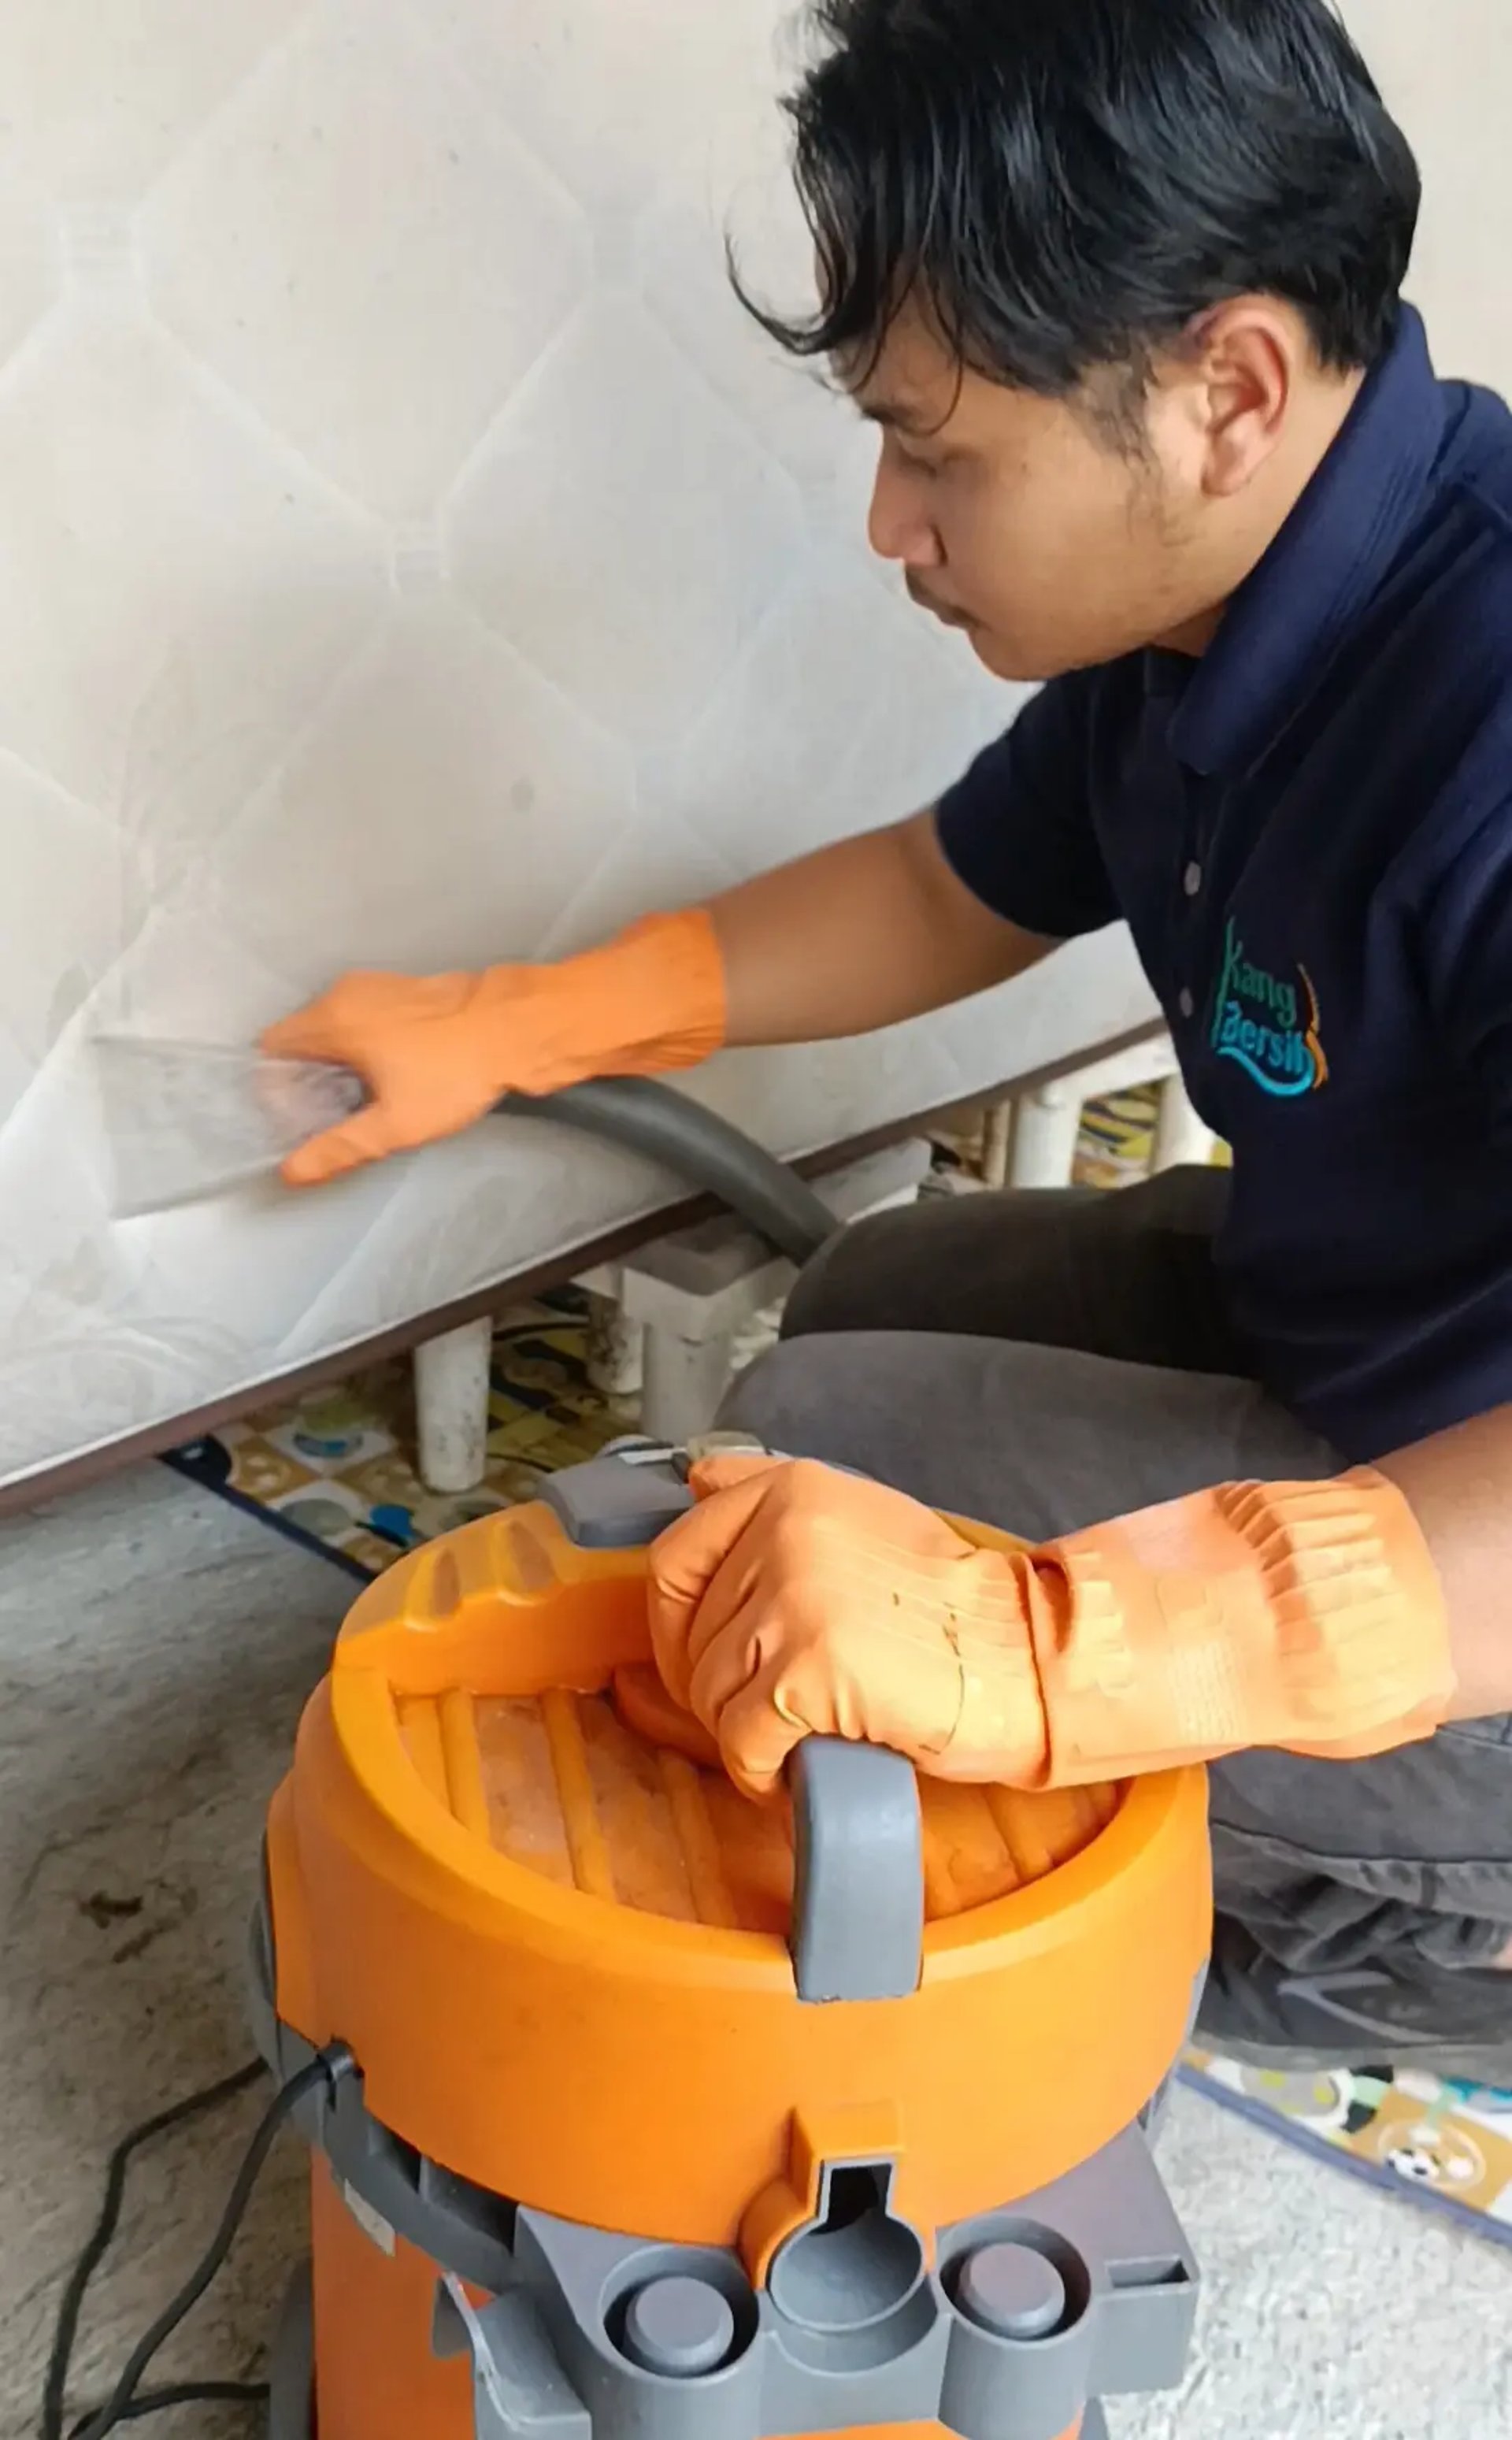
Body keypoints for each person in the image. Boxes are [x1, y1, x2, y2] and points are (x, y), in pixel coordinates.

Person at [265, 0, 1512, 2078]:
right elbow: (954, 885)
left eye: (940, 451)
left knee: (842, 1494)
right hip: (1382, 1330)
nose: (888, 525)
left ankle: (1440, 1936)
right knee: (863, 1301)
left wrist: (1056, 1652)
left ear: (1232, 388)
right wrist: (510, 1021)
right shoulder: (1232, 603)